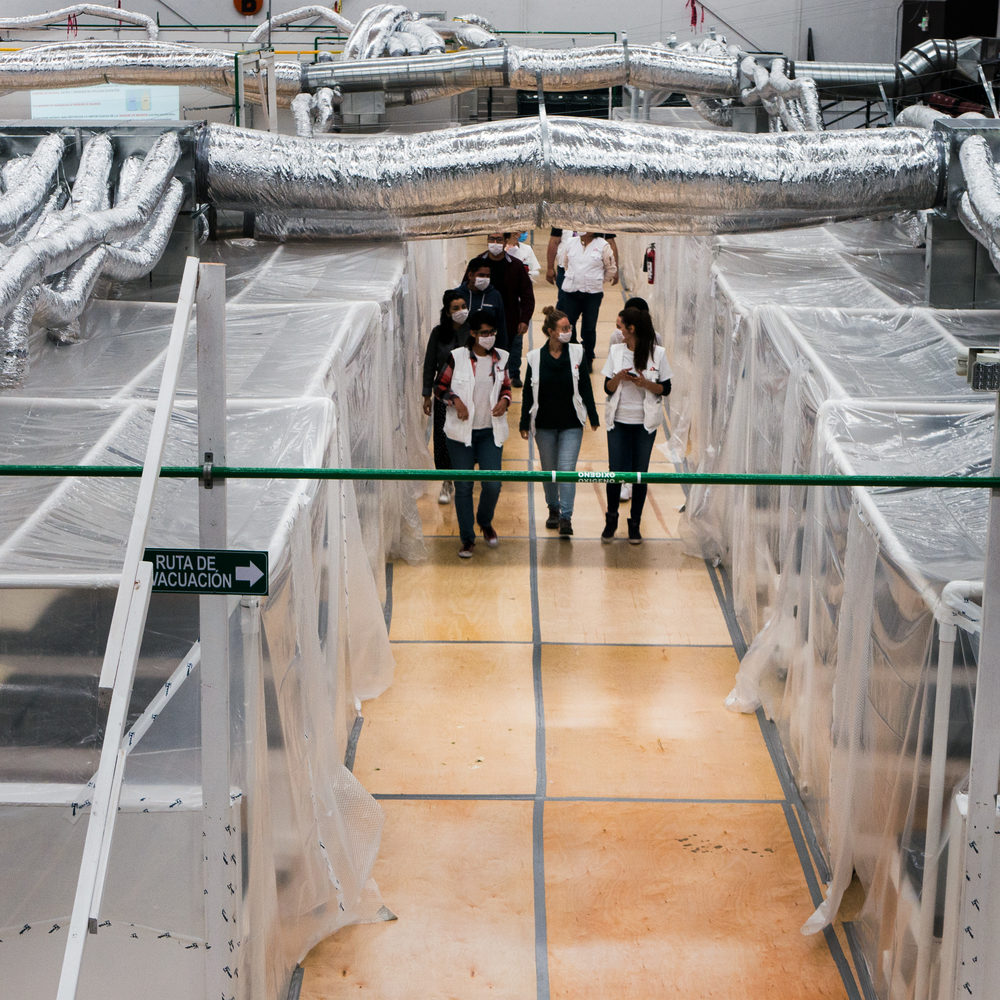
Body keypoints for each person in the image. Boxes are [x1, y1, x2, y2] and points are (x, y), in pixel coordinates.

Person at [434, 310, 512, 558]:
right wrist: (455, 401)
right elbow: (440, 387)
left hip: (490, 431)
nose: (489, 337)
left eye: (492, 333)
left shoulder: (501, 358)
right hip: (461, 434)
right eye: (484, 333)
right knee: (464, 486)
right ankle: (467, 538)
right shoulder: (456, 357)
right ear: (473, 334)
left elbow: (506, 388)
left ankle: (485, 521)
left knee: (493, 484)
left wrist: (505, 401)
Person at [520, 306, 600, 537]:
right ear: (551, 332)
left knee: (566, 470)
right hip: (543, 424)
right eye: (564, 328)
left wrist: (592, 416)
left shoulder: (577, 352)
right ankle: (552, 508)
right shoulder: (535, 358)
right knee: (549, 470)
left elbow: (584, 384)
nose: (568, 331)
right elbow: (527, 392)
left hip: (571, 424)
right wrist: (524, 423)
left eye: (569, 327)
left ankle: (566, 516)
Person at [601, 305, 672, 545]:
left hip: (644, 424)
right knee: (615, 472)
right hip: (619, 421)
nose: (618, 330)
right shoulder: (616, 351)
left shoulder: (657, 354)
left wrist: (645, 384)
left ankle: (635, 523)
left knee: (640, 474)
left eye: (621, 326)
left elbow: (666, 388)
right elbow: (607, 388)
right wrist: (618, 378)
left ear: (631, 329)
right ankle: (611, 520)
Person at [467, 233, 534, 387]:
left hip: (510, 319)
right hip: (482, 321)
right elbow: (466, 288)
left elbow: (527, 295)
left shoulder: (516, 266)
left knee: (512, 348)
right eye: (492, 239)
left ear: (505, 242)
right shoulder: (478, 262)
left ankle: (513, 375)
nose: (495, 242)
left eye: (499, 239)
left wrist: (524, 319)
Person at [423, 289, 470, 505]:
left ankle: (466, 478)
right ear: (447, 312)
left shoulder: (474, 331)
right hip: (444, 396)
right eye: (455, 308)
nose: (461, 311)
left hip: (469, 395)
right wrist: (426, 395)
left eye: (463, 306)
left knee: (467, 438)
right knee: (442, 440)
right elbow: (429, 365)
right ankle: (447, 479)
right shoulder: (438, 333)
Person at [560, 232, 618, 367]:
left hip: (592, 293)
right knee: (569, 324)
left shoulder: (603, 245)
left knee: (589, 327)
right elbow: (566, 264)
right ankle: (572, 352)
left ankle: (588, 357)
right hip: (572, 291)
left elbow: (610, 268)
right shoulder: (570, 243)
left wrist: (597, 280)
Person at [454, 261, 507, 348]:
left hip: (486, 349)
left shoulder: (495, 295)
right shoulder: (457, 294)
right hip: (460, 346)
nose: (485, 279)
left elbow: (501, 325)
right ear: (470, 275)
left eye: (488, 276)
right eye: (481, 275)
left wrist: (502, 350)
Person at [546, 229, 619, 288]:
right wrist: (550, 268)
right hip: (567, 270)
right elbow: (554, 241)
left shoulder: (600, 218)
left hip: (592, 271)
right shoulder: (562, 217)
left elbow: (610, 243)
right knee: (565, 302)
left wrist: (615, 270)